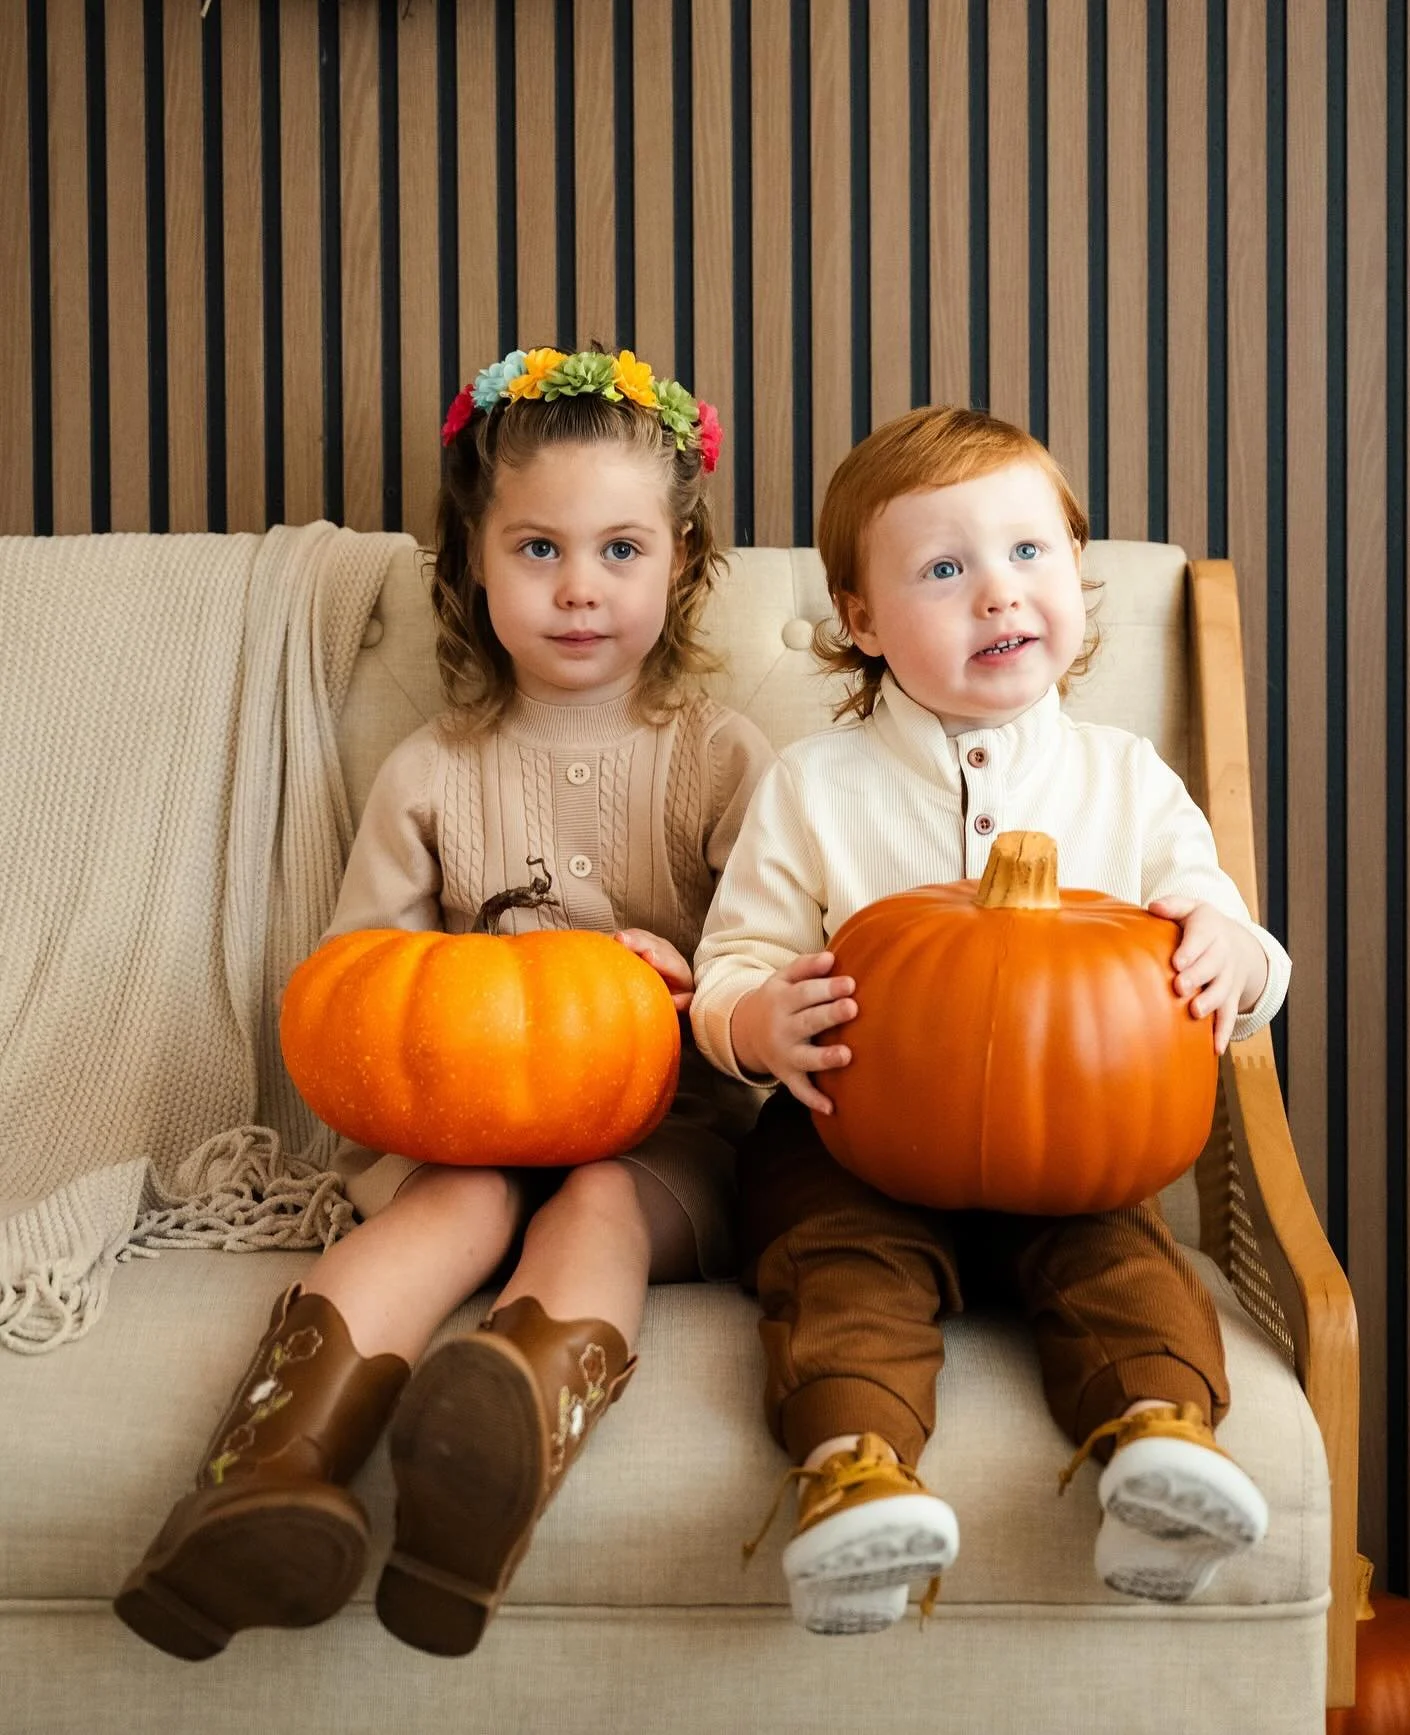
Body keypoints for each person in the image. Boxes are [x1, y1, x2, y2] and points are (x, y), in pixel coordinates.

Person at [115, 345, 772, 1661]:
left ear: (682, 562)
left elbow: (774, 967)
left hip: (667, 1132)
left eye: (621, 550)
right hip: (466, 1122)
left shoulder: (721, 758)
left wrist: (694, 985)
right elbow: (359, 988)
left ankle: (495, 1452)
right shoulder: (431, 771)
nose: (579, 586)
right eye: (538, 548)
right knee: (452, 1207)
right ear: (473, 559)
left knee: (598, 1203)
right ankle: (260, 1478)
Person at [690, 405, 1290, 1636]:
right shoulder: (815, 783)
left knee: (1126, 1267)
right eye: (944, 569)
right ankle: (852, 1477)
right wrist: (754, 1022)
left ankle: (1159, 1450)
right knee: (835, 1273)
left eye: (1027, 552)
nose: (998, 593)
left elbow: (1234, 945)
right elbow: (730, 963)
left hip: (1080, 1146)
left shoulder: (1127, 778)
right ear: (862, 620)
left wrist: (1236, 953)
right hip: (849, 1140)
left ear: (1076, 568)